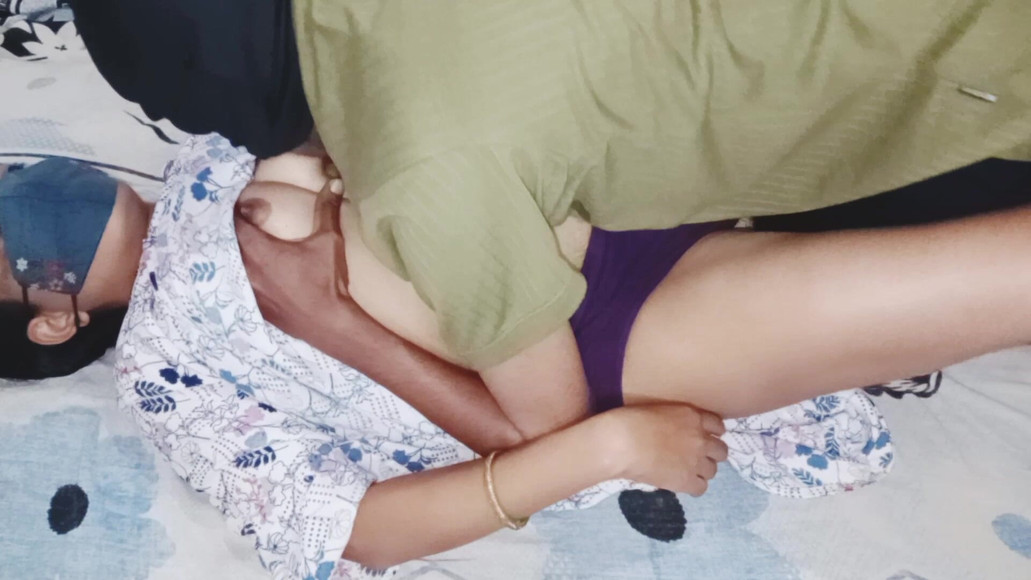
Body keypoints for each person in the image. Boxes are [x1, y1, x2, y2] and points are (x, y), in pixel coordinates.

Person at [2, 135, 1029, 577]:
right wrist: (595, 452)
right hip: (622, 323)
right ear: (51, 321)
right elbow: (351, 529)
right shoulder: (163, 375)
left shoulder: (203, 143)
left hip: (619, 162)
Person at [71, 0, 1031, 444]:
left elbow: (550, 424)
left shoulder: (417, 167)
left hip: (949, 68)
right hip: (625, 287)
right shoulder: (167, 373)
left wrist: (332, 319)